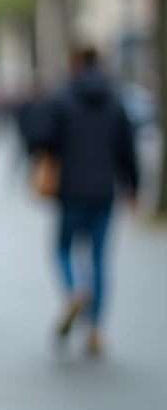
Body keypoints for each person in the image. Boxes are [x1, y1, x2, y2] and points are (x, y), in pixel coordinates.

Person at [38, 44, 139, 357]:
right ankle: (96, 327)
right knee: (98, 257)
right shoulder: (115, 100)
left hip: (71, 189)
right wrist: (134, 187)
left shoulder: (63, 99)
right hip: (105, 190)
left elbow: (44, 139)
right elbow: (127, 149)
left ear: (76, 63)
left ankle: (74, 291)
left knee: (62, 248)